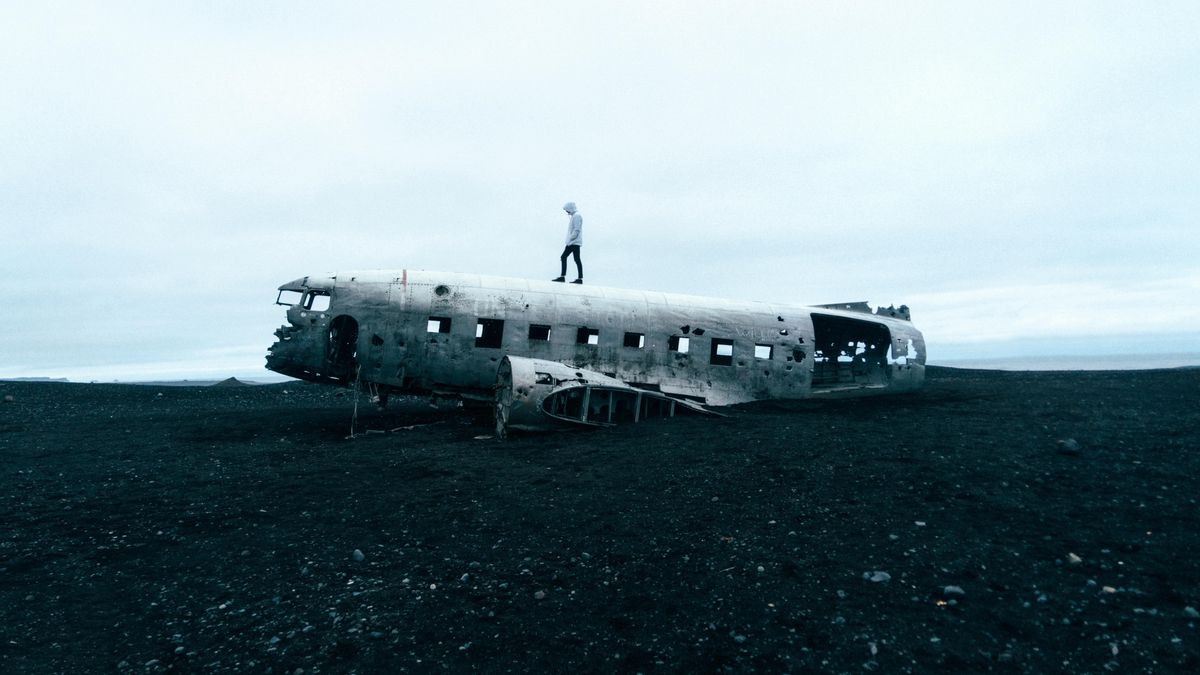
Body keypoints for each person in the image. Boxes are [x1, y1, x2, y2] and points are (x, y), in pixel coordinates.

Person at [552, 201, 583, 284]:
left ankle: (563, 277)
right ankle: (579, 278)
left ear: (570, 208)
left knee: (564, 257)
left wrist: (570, 240)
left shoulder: (576, 216)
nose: (567, 212)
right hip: (573, 242)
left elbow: (576, 230)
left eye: (567, 210)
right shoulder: (574, 216)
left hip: (573, 242)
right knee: (576, 259)